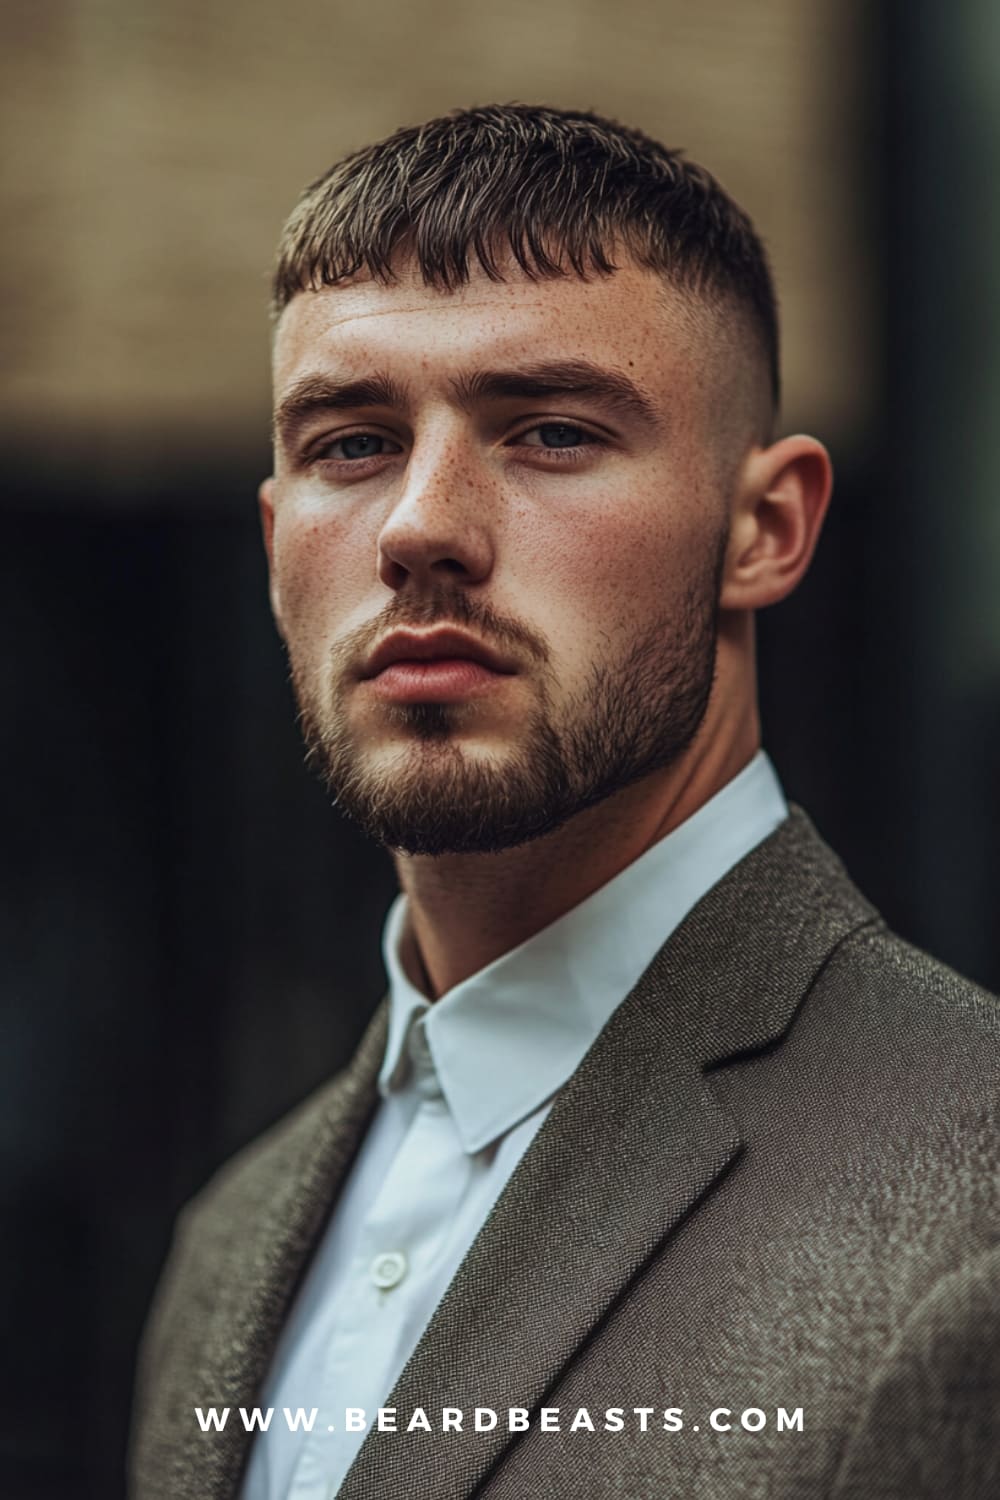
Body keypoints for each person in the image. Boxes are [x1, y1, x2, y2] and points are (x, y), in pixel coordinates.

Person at [128, 105, 1000, 1500]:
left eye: (547, 431)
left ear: (764, 528)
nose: (419, 525)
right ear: (276, 538)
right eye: (351, 443)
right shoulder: (226, 1248)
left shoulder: (969, 1216)